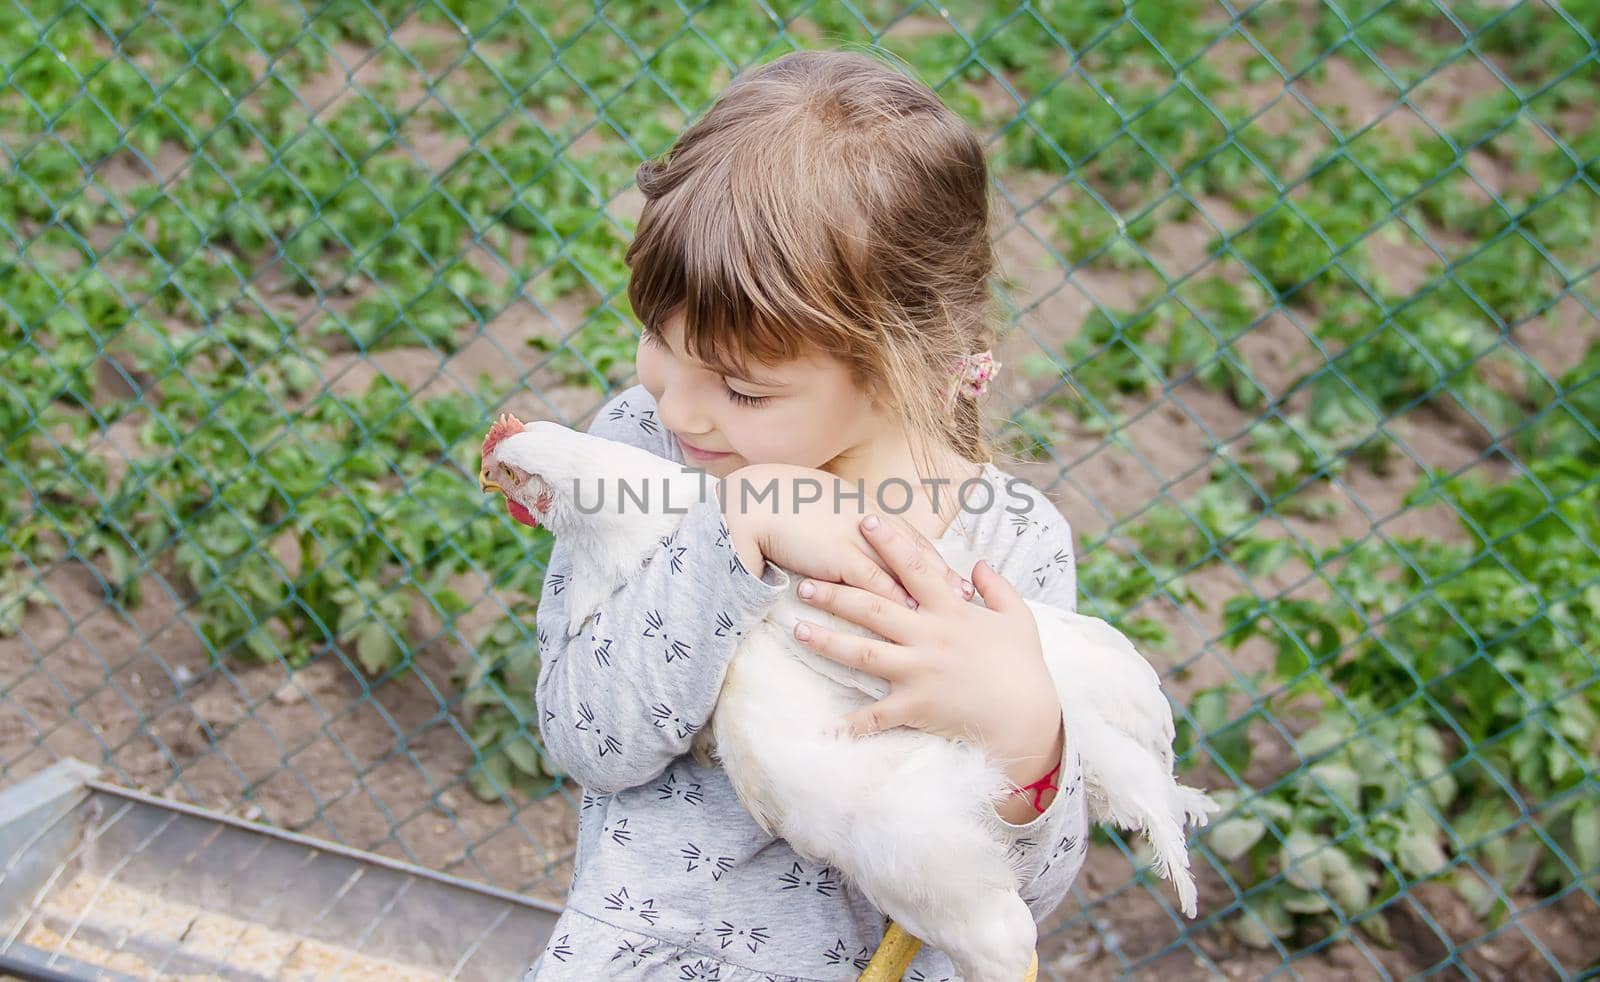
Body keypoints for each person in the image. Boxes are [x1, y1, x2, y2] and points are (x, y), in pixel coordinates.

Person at [523, 48, 1088, 981]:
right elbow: (592, 737)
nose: (680, 406)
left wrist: (1026, 739)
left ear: (900, 368)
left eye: (743, 391)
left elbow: (1019, 904)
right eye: (658, 343)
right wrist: (734, 524)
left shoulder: (1004, 546)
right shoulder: (644, 457)